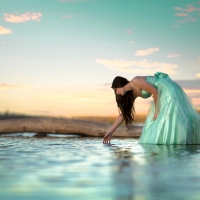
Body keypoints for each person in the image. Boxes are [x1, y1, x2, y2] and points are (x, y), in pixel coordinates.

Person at [103, 72, 200, 144]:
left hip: (168, 89)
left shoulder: (136, 80)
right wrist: (110, 132)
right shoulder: (131, 94)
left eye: (116, 90)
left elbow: (155, 92)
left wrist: (157, 111)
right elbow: (123, 115)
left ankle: (175, 145)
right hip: (161, 94)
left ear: (120, 85)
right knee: (153, 122)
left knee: (166, 117)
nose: (116, 93)